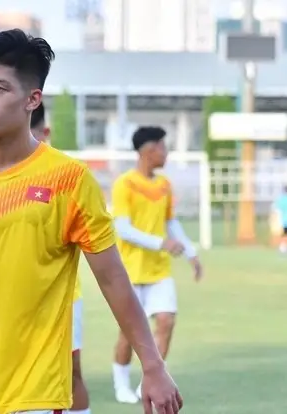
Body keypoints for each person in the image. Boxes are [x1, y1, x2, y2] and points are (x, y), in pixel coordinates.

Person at [0, 30, 182, 414]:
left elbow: (112, 278)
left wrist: (153, 365)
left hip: (38, 394)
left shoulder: (69, 179)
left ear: (32, 100)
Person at [110, 126, 202, 404]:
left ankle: (147, 383)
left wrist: (191, 252)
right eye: (163, 147)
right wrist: (161, 243)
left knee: (166, 322)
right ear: (148, 151)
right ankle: (121, 386)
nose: (166, 152)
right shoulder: (124, 184)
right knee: (129, 333)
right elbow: (123, 229)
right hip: (130, 271)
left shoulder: (164, 185)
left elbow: (170, 222)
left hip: (159, 271)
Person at [30, 102, 90, 414]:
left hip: (61, 299)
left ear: (45, 131)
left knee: (70, 371)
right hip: (6, 302)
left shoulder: (65, 177)